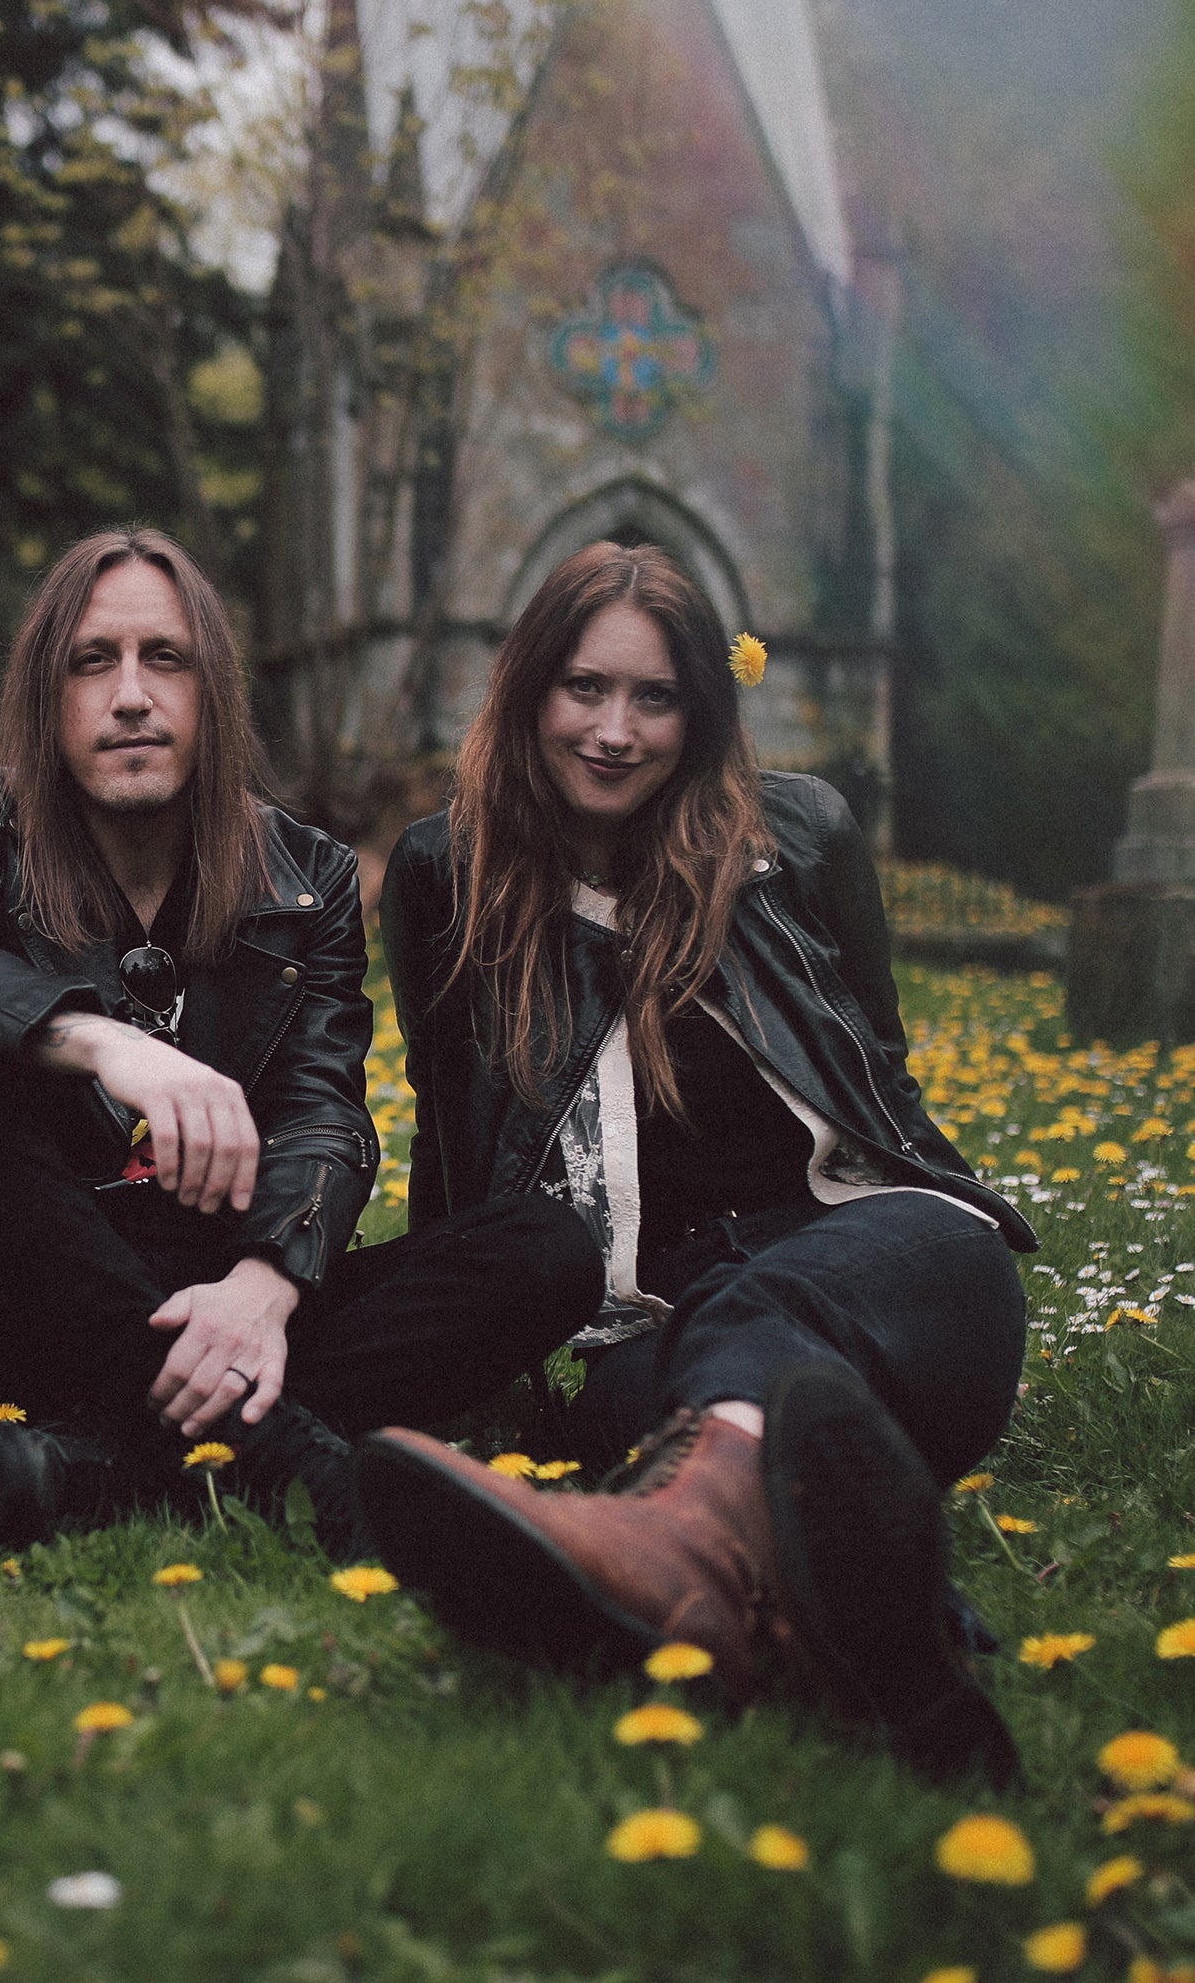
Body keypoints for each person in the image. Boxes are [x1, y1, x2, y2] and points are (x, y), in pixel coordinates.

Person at [357, 539, 1035, 1783]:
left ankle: (677, 1541)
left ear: (700, 710)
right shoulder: (444, 871)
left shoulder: (803, 834)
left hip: (876, 1260)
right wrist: (468, 1349)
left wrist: (912, 1214)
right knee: (648, 1397)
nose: (614, 730)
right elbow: (449, 1121)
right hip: (647, 1316)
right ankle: (847, 1621)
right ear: (526, 690)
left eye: (654, 696)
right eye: (583, 687)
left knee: (931, 1253)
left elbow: (881, 1075)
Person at [0, 527, 599, 1557]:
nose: (131, 695)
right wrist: (102, 1043)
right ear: (45, 695)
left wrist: (262, 1284)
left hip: (207, 1288)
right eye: (93, 661)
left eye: (165, 659)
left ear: (211, 692)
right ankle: (286, 1451)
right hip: (19, 1291)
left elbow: (325, 1108)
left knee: (545, 1251)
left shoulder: (304, 872)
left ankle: (106, 1460)